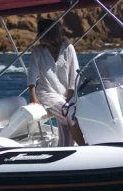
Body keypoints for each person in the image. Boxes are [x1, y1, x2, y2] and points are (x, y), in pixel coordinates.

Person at [26, 18, 87, 146]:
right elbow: (32, 73)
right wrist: (33, 97)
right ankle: (83, 146)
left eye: (42, 33)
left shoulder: (68, 48)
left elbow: (74, 72)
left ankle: (64, 147)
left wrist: (70, 93)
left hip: (65, 94)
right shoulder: (38, 51)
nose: (39, 36)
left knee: (70, 116)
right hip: (47, 94)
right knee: (68, 113)